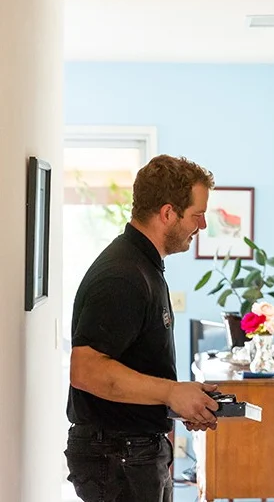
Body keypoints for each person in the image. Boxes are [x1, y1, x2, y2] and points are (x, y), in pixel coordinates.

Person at [65, 155, 222, 502]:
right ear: (168, 213)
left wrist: (179, 398)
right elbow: (85, 369)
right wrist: (170, 393)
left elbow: (138, 366)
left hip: (134, 451)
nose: (203, 225)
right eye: (197, 215)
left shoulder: (145, 267)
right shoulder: (122, 276)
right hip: (118, 456)